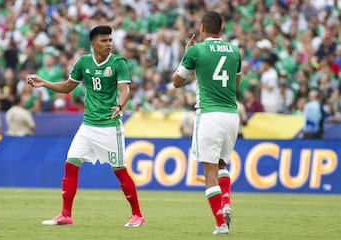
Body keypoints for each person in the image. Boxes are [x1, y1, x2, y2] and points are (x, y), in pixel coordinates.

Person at [27, 25, 144, 227]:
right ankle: (65, 214)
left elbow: (124, 89)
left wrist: (119, 104)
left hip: (110, 126)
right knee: (70, 165)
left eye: (110, 40)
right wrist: (45, 83)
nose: (109, 44)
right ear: (93, 44)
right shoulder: (83, 62)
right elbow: (67, 86)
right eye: (104, 40)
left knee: (119, 170)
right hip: (88, 125)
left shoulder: (118, 63)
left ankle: (137, 215)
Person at [172, 11, 241, 235]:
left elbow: (177, 82)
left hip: (209, 114)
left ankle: (221, 224)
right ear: (220, 28)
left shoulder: (196, 50)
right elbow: (236, 82)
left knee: (209, 171)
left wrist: (186, 55)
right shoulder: (234, 50)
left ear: (202, 27)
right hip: (231, 114)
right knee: (222, 164)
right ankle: (226, 201)